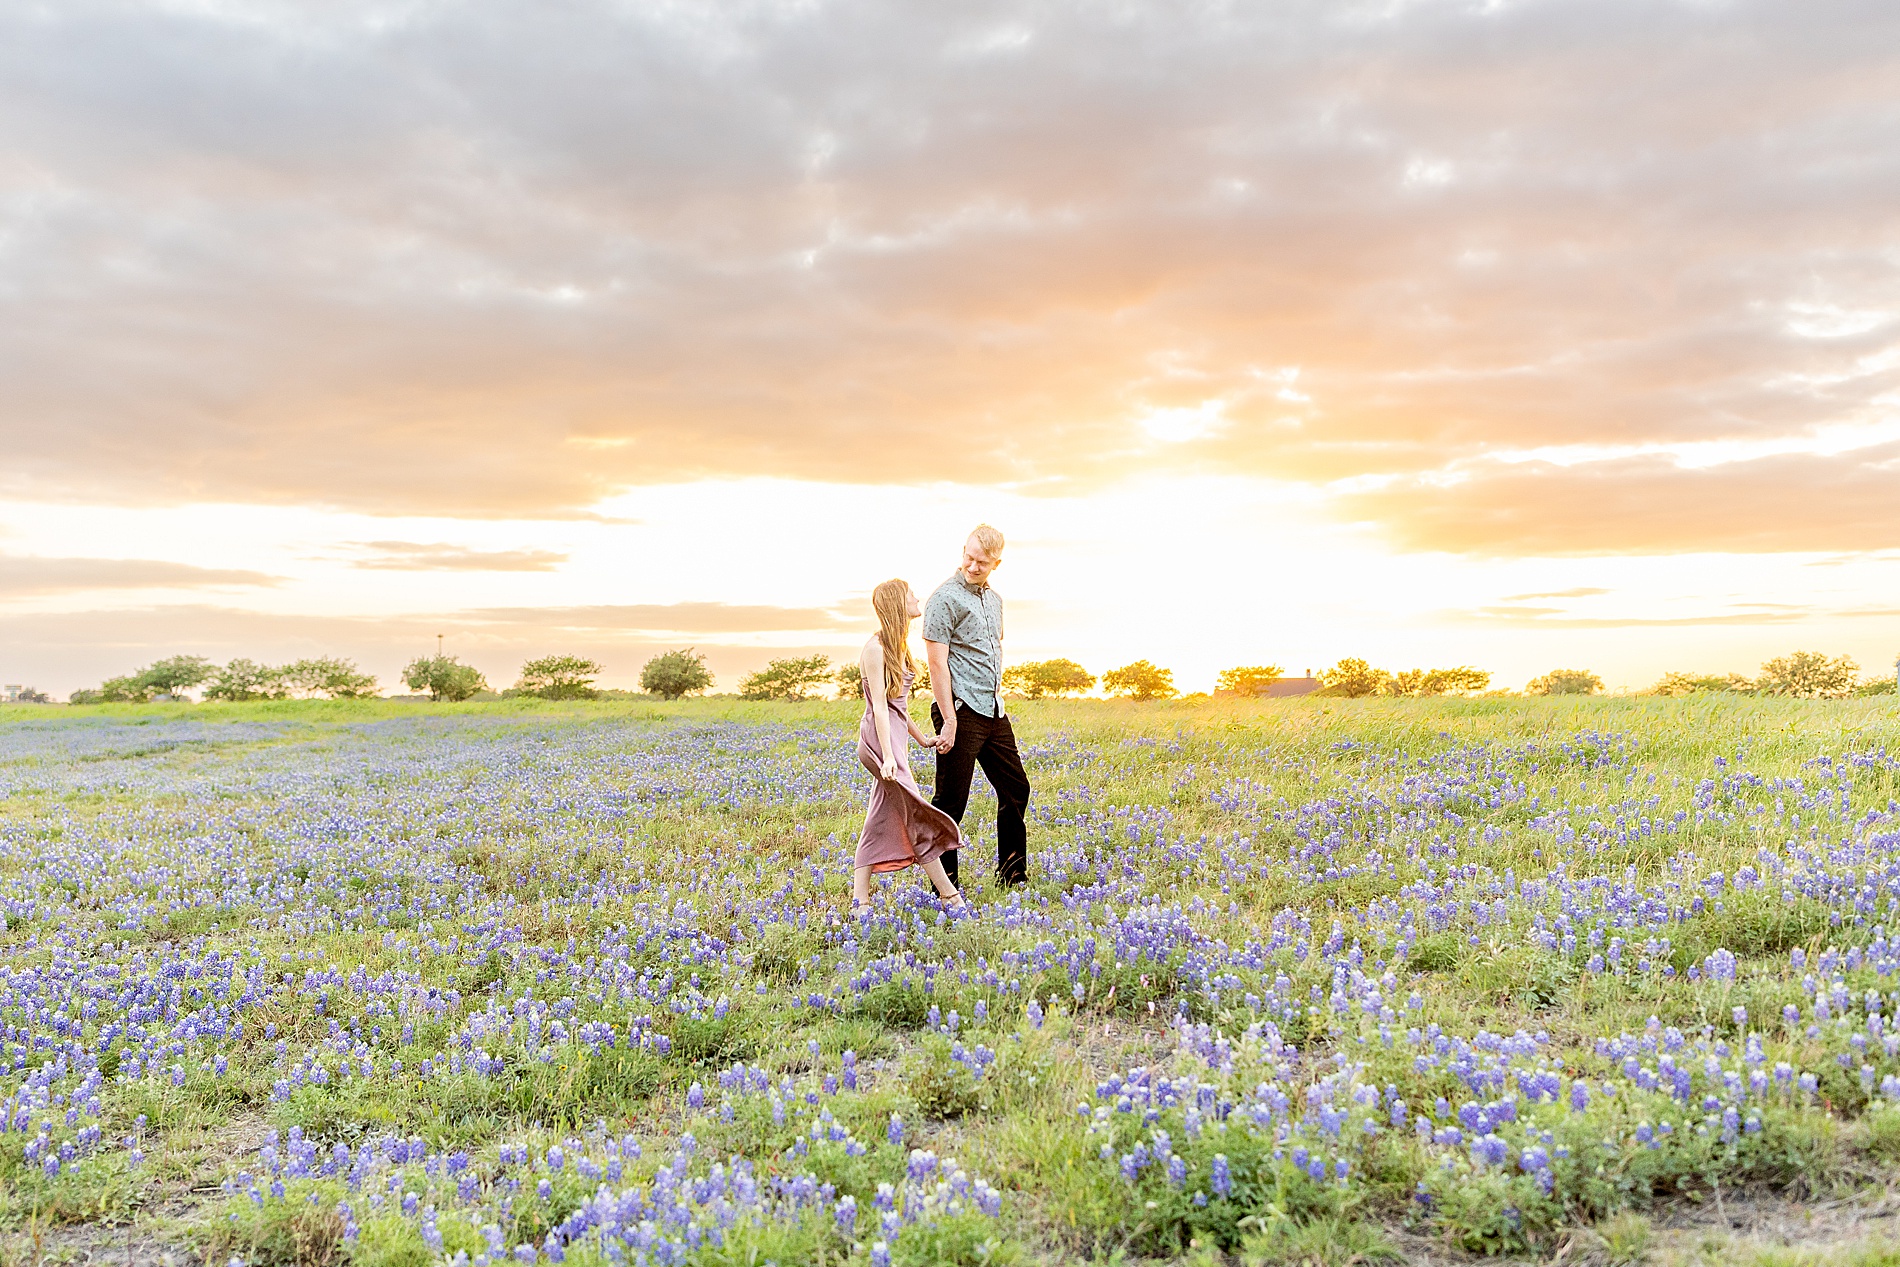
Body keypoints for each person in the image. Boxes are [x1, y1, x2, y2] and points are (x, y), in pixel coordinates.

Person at [851, 578, 969, 914]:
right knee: (916, 814)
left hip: (895, 742)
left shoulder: (897, 647)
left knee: (880, 817)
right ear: (896, 604)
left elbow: (897, 707)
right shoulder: (875, 650)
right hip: (879, 742)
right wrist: (888, 756)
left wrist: (920, 739)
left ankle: (861, 902)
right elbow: (879, 707)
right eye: (910, 595)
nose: (917, 598)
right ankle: (950, 896)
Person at [923, 524, 1031, 888]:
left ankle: (1012, 875)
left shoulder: (995, 601)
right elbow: (937, 663)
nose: (972, 566)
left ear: (996, 563)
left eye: (981, 562)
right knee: (951, 802)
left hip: (993, 708)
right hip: (960, 709)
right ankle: (944, 886)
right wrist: (949, 719)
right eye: (968, 557)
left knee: (1016, 788)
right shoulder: (944, 598)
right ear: (963, 551)